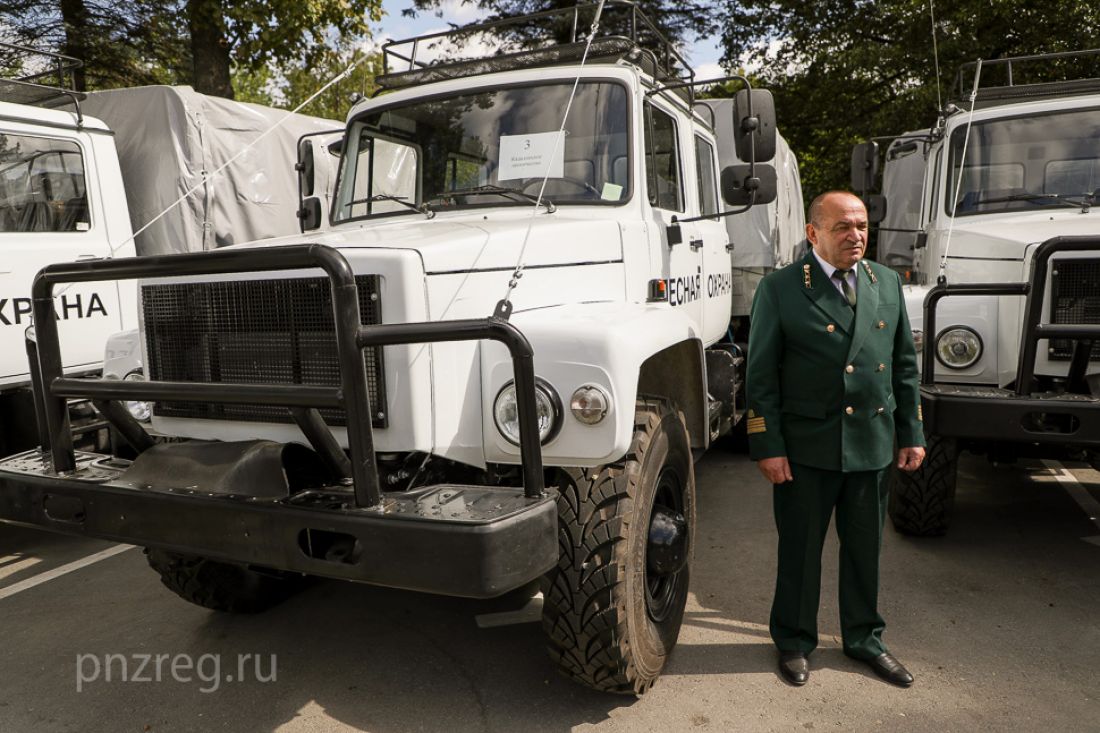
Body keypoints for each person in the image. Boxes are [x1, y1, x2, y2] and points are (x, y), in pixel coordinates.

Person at [745, 190, 926, 687]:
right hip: (807, 447)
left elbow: (905, 367)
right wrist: (768, 445)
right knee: (800, 551)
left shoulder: (885, 281)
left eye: (862, 226)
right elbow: (760, 378)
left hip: (870, 442)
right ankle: (794, 640)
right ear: (813, 233)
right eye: (843, 227)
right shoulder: (782, 288)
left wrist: (912, 431)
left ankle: (865, 638)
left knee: (865, 549)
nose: (856, 235)